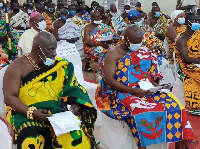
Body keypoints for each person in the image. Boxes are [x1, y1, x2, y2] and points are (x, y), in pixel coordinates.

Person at [96, 25, 198, 149]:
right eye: (135, 42)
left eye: (140, 41)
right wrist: (133, 91)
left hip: (146, 90)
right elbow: (109, 80)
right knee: (142, 112)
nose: (138, 45)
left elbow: (154, 73)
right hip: (122, 92)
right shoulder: (113, 53)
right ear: (126, 39)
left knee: (176, 107)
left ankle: (180, 146)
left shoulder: (144, 51)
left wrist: (155, 83)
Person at [3, 31, 97, 149]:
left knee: (75, 134)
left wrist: (75, 103)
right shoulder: (17, 67)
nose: (54, 54)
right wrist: (32, 113)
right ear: (37, 49)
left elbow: (73, 87)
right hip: (26, 112)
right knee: (32, 137)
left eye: (55, 49)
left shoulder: (60, 65)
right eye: (50, 50)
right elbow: (9, 97)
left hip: (57, 112)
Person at [175, 13, 200, 114]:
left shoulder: (198, 35)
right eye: (194, 21)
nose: (197, 23)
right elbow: (185, 59)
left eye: (198, 21)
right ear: (187, 23)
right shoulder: (182, 39)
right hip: (189, 66)